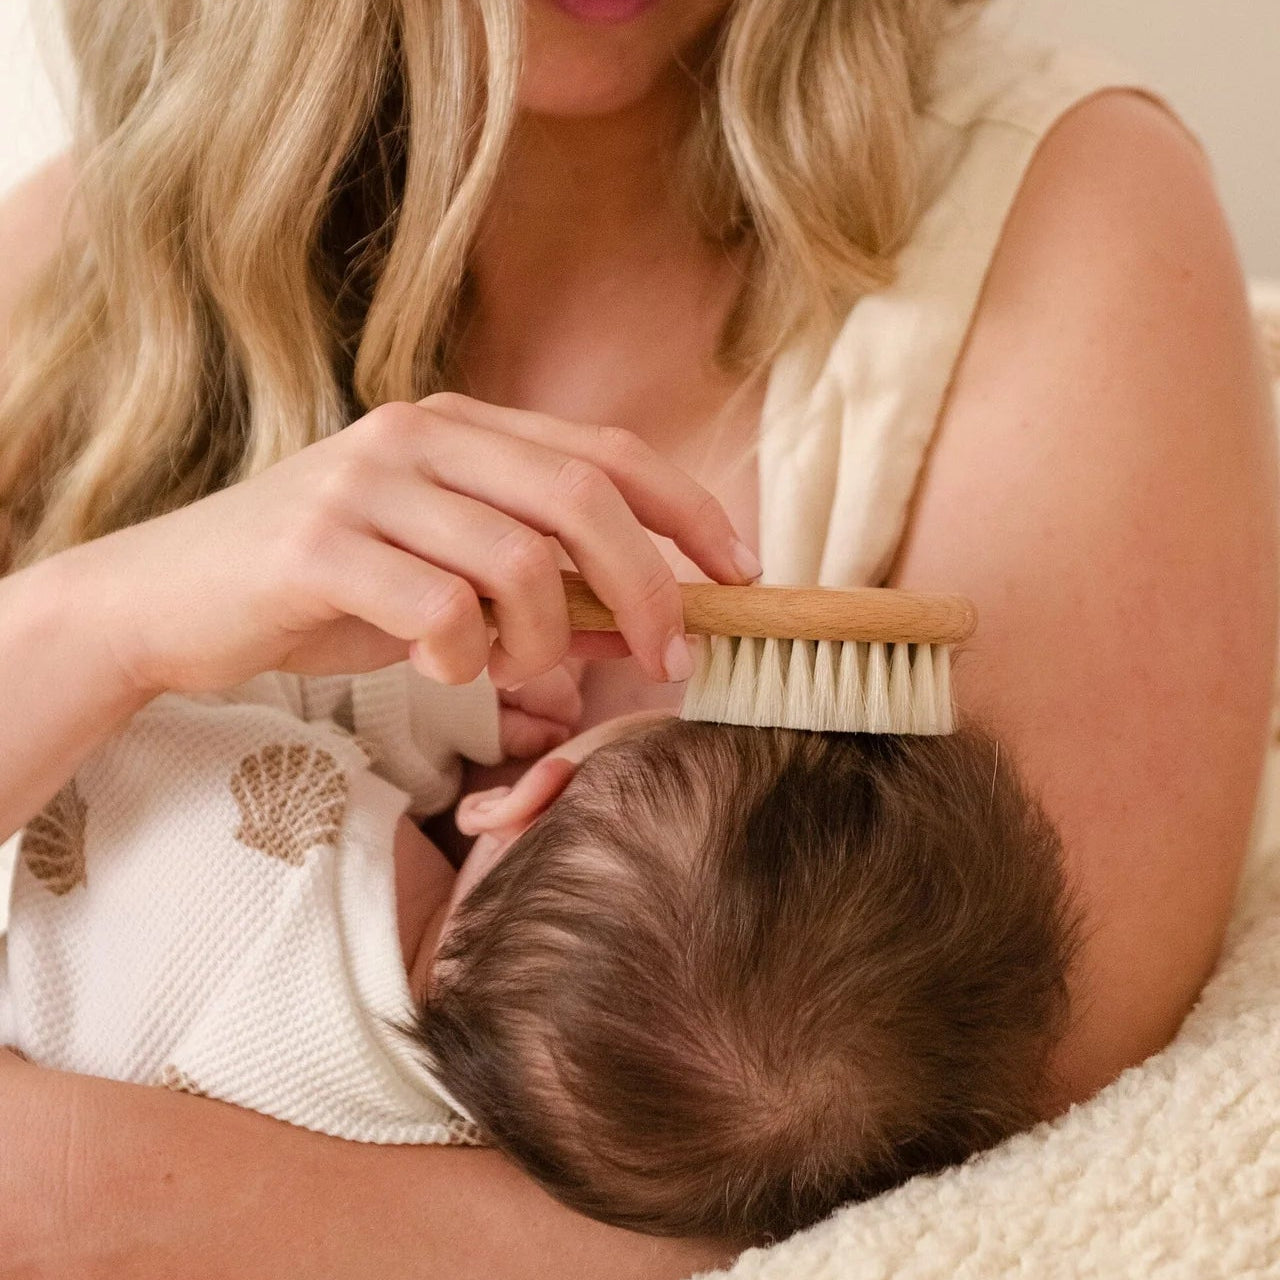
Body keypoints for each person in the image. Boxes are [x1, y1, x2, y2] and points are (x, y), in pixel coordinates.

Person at [0, 0, 1275, 1274]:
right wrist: (100, 619)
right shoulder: (91, 256)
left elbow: (988, 1209)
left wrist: (69, 1186)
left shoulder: (1059, 213)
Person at [2, 681, 1079, 1248]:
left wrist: (431, 695)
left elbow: (192, 688)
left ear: (518, 793)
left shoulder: (281, 817)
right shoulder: (423, 1145)